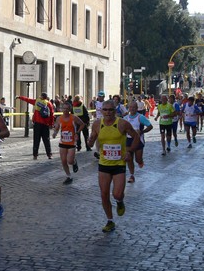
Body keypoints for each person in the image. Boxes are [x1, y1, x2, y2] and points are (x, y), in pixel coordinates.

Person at [87, 99, 140, 233]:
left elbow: (136, 137)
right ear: (101, 111)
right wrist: (89, 142)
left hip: (119, 164)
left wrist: (129, 152)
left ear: (115, 111)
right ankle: (110, 221)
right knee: (104, 194)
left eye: (111, 110)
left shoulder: (122, 124)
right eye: (105, 110)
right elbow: (91, 141)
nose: (108, 112)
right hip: (104, 164)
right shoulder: (97, 124)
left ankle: (120, 201)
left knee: (117, 194)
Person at [52, 102, 85, 185]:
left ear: (70, 109)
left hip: (72, 142)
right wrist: (55, 133)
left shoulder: (74, 118)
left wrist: (77, 133)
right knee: (63, 161)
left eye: (67, 109)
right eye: (64, 108)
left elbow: (82, 124)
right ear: (61, 109)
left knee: (69, 161)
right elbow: (57, 128)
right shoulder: (59, 118)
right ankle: (68, 176)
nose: (65, 110)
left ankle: (74, 162)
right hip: (63, 141)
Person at [16, 92, 54, 160]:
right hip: (45, 125)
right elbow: (52, 114)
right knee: (46, 140)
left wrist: (19, 97)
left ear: (41, 96)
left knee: (36, 140)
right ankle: (49, 154)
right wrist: (51, 124)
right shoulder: (49, 104)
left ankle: (35, 155)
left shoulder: (37, 101)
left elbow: (28, 99)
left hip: (37, 124)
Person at [123, 101, 153, 183]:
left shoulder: (141, 117)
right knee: (129, 159)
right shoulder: (125, 118)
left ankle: (140, 162)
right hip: (129, 140)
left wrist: (141, 132)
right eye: (130, 107)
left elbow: (150, 126)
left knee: (138, 159)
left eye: (134, 107)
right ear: (128, 108)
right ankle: (132, 175)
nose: (132, 109)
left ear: (137, 108)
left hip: (139, 140)